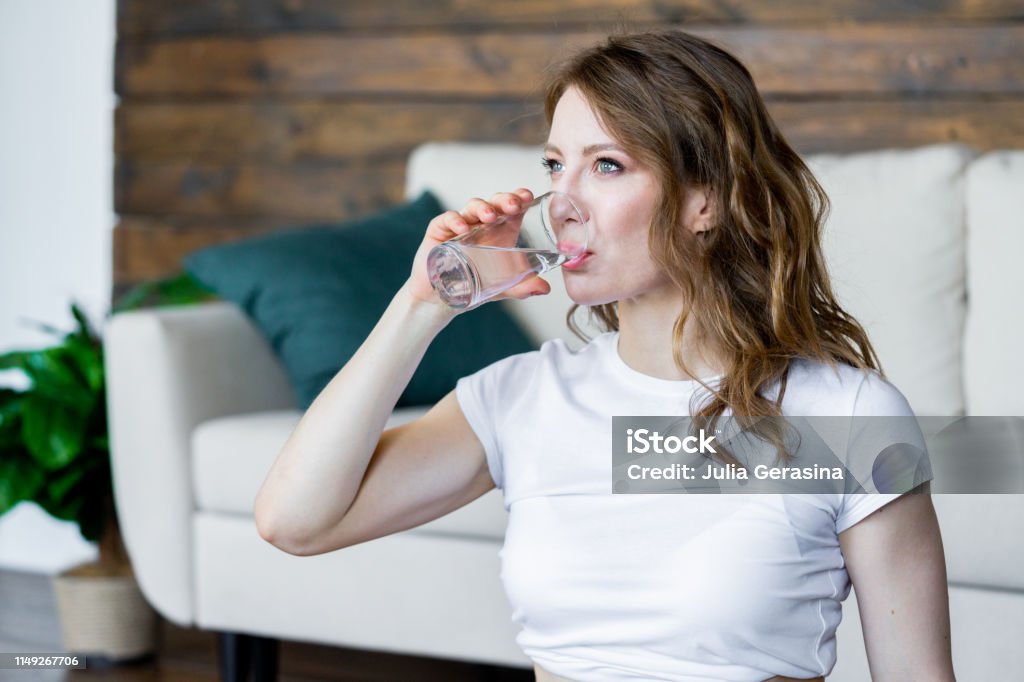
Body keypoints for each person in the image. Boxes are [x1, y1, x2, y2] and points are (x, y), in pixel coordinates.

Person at [254, 29, 955, 682]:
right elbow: (294, 521)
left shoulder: (845, 414)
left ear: (703, 202)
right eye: (556, 166)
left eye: (607, 165)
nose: (562, 200)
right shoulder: (522, 398)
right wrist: (422, 305)